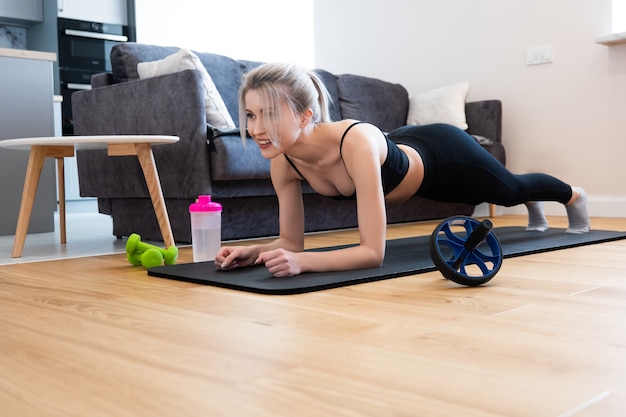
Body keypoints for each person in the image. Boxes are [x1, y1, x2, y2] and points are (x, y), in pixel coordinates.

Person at [215, 63, 590, 277]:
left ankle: (573, 196)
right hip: (405, 150)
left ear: (305, 115)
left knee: (510, 189)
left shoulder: (354, 143)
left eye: (269, 114)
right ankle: (531, 204)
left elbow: (371, 253)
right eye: (250, 114)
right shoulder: (284, 160)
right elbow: (290, 242)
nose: (255, 128)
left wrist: (303, 263)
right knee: (493, 195)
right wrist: (255, 251)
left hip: (442, 153)